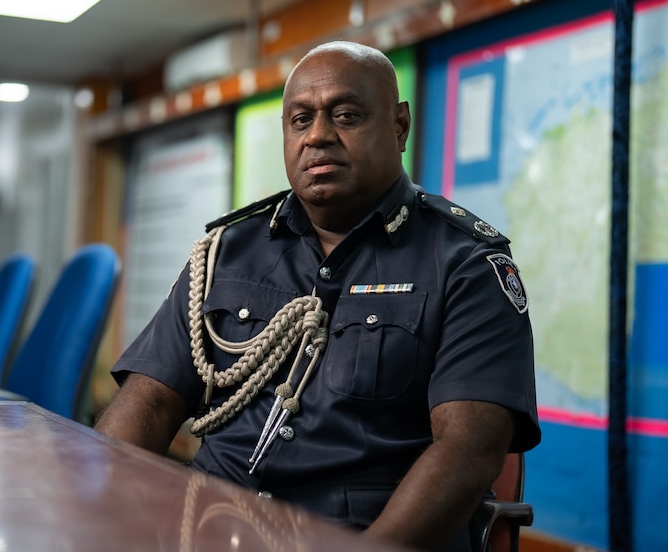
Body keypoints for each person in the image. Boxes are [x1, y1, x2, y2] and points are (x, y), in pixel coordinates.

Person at [95, 40, 541, 552]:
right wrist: (95, 514)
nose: (318, 136)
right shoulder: (227, 253)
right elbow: (149, 402)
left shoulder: (466, 265)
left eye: (346, 116)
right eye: (300, 120)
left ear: (399, 126)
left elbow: (467, 451)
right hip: (208, 527)